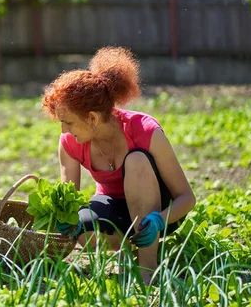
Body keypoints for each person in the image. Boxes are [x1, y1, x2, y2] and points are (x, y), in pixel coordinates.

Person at [41, 46, 196, 284]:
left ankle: (148, 267)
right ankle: (125, 250)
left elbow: (187, 197)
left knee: (135, 160)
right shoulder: (69, 143)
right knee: (84, 228)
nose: (64, 130)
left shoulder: (144, 130)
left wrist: (158, 221)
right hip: (116, 207)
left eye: (68, 122)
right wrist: (64, 219)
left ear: (92, 118)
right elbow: (69, 198)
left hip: (161, 211)